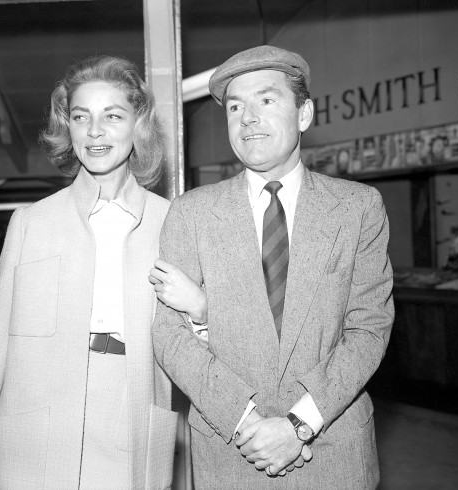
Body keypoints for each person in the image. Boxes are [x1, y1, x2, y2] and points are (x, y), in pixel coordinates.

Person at [151, 45, 394, 489]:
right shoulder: (191, 213)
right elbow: (170, 335)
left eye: (266, 100)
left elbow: (369, 329)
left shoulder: (358, 208)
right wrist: (247, 424)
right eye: (235, 107)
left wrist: (298, 425)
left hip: (334, 451)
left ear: (304, 114)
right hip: (231, 452)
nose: (247, 118)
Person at [0, 55, 196, 490]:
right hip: (36, 427)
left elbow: (197, 345)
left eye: (112, 116)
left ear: (137, 125)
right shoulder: (30, 223)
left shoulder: (173, 222)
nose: (95, 131)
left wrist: (202, 309)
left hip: (132, 416)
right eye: (81, 117)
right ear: (69, 128)